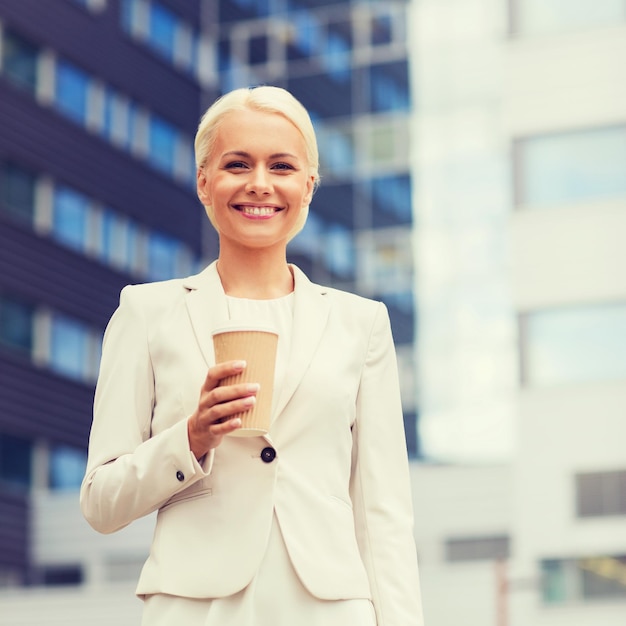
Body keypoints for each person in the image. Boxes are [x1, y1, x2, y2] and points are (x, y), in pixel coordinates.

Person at [80, 85, 424, 626]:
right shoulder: (146, 313)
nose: (259, 184)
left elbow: (383, 514)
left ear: (308, 186)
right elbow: (100, 502)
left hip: (329, 609)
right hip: (195, 608)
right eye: (237, 164)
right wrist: (190, 438)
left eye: (281, 166)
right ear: (204, 181)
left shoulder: (361, 324)